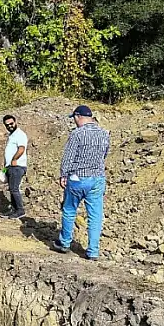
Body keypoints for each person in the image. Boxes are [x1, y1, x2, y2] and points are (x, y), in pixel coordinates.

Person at [54, 105, 110, 260]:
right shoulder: (104, 133)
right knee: (95, 215)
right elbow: (104, 154)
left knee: (69, 210)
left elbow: (68, 157)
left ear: (78, 117)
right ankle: (93, 251)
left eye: (74, 118)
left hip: (78, 178)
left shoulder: (77, 134)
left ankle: (64, 243)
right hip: (98, 179)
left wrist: (63, 175)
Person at [0, 115, 29, 219]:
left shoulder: (20, 134)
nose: (9, 126)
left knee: (14, 189)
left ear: (15, 122)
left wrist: (14, 160)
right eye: (7, 125)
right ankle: (13, 209)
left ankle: (20, 210)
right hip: (10, 167)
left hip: (17, 166)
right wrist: (4, 169)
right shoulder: (11, 135)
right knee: (12, 189)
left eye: (11, 124)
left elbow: (21, 149)